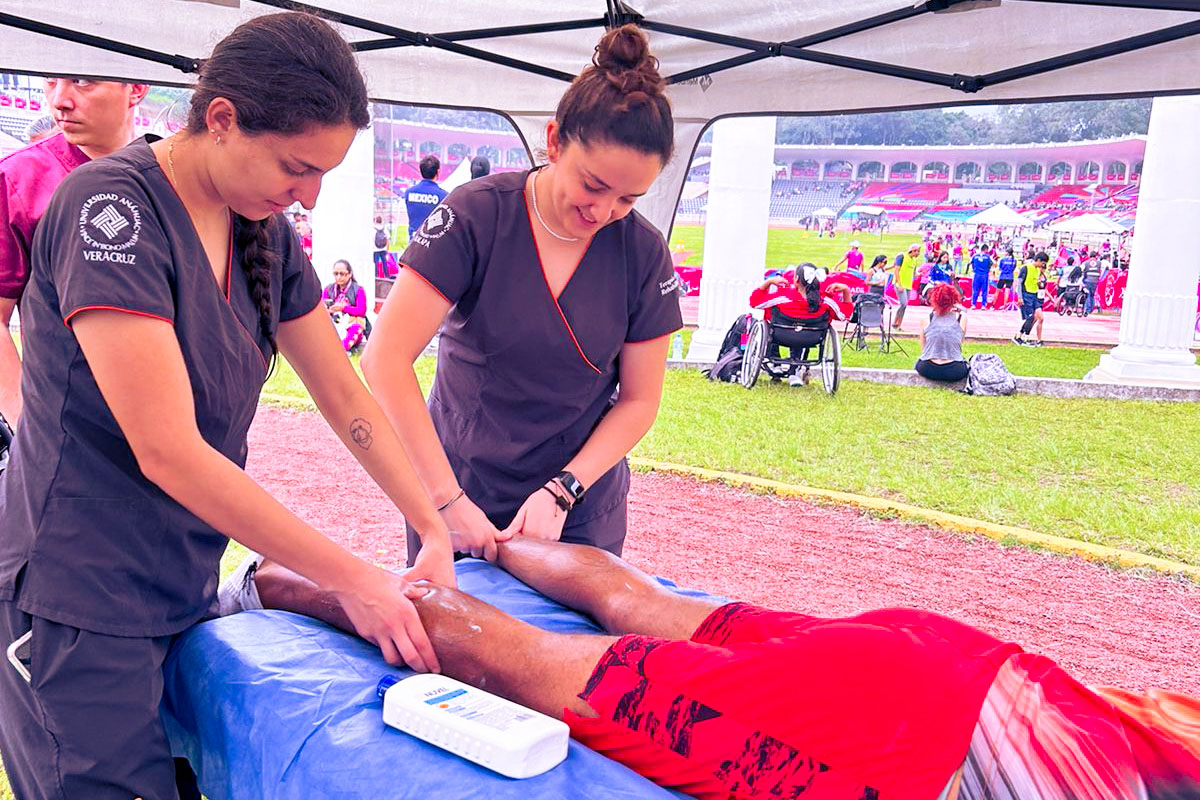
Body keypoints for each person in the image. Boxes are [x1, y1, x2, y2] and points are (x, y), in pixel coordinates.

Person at [0, 14, 456, 800]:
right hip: (75, 596)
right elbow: (167, 449)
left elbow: (343, 389)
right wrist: (353, 579)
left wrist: (433, 522)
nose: (308, 194)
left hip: (175, 581)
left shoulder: (265, 232)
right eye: (296, 166)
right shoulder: (109, 210)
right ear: (221, 120)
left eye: (323, 176)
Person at [247, 537, 1200, 800]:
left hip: (954, 658)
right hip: (901, 746)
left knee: (647, 608)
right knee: (525, 662)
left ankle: (492, 543)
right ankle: (273, 582)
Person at [361, 24, 681, 565]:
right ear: (555, 141)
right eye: (593, 185)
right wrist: (445, 499)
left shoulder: (644, 253)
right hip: (458, 490)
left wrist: (563, 491)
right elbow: (385, 360)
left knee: (571, 647)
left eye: (628, 198)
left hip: (577, 510)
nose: (603, 213)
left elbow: (639, 400)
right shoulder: (475, 215)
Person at [0, 77, 148, 432]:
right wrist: (26, 420)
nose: (60, 101)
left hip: (167, 416)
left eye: (83, 82)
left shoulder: (173, 177)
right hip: (66, 425)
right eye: (50, 82)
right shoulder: (19, 178)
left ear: (136, 88)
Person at [916, 284, 969, 382]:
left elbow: (924, 347)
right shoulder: (962, 318)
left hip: (927, 368)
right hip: (954, 369)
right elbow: (959, 342)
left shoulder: (926, 318)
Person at [323, 259, 369, 352]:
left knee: (356, 329)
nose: (339, 277)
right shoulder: (328, 289)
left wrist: (344, 308)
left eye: (342, 274)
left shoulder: (358, 290)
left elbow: (361, 311)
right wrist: (329, 311)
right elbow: (321, 306)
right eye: (336, 274)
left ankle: (340, 351)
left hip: (351, 323)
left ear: (350, 274)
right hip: (333, 323)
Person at [404, 154, 447, 238]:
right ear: (438, 172)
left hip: (414, 242)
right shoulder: (444, 196)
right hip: (433, 244)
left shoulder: (409, 193)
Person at [1013, 251, 1049, 346]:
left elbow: (1036, 282)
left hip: (1035, 296)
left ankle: (1020, 335)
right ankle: (1023, 337)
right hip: (1026, 295)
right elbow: (1020, 283)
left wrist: (1040, 284)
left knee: (1038, 317)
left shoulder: (1038, 270)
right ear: (1038, 260)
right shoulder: (1025, 268)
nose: (1043, 266)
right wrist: (1020, 297)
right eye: (1042, 263)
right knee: (1030, 317)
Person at [891, 242, 920, 329]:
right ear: (913, 251)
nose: (918, 253)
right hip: (900, 284)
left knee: (905, 305)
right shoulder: (902, 257)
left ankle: (899, 325)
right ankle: (895, 323)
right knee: (903, 304)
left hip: (908, 285)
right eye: (917, 251)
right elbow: (896, 271)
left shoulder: (915, 261)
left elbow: (914, 274)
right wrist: (899, 284)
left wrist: (920, 274)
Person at [968, 244, 993, 310]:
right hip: (984, 275)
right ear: (986, 249)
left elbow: (970, 263)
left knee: (975, 290)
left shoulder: (975, 256)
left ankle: (973, 305)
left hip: (976, 274)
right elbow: (991, 264)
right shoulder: (987, 257)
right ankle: (983, 305)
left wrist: (974, 268)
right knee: (984, 290)